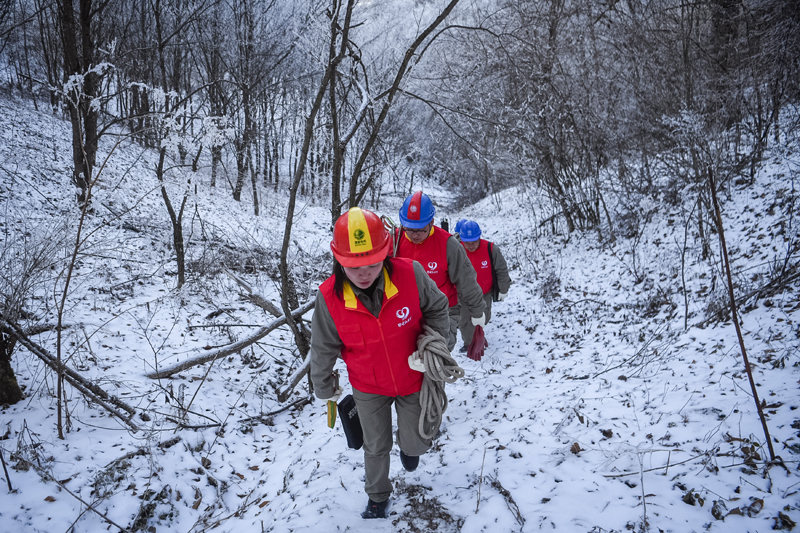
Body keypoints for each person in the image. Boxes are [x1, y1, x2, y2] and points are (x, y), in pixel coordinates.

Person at [309, 207, 450, 519]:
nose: (364, 273)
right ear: (339, 261)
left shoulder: (411, 274)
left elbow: (439, 308)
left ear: (385, 253)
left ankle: (410, 449)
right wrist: (323, 387)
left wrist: (437, 347)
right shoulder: (329, 299)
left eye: (372, 263)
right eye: (354, 266)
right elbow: (322, 347)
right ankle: (377, 495)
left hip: (414, 377)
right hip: (368, 386)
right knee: (375, 446)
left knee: (416, 443)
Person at [393, 191, 486, 352]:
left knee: (434, 359)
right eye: (409, 229)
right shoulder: (393, 243)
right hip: (404, 313)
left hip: (444, 312)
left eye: (421, 230)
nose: (415, 235)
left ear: (431, 222)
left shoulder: (448, 245)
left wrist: (477, 311)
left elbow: (466, 281)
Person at [457, 220, 512, 350]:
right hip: (462, 294)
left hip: (484, 292)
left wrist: (503, 289)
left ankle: (478, 333)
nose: (470, 246)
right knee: (464, 320)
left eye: (473, 242)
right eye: (467, 242)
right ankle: (470, 344)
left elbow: (501, 270)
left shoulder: (491, 249)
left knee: (483, 317)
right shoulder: (456, 250)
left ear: (479, 237)